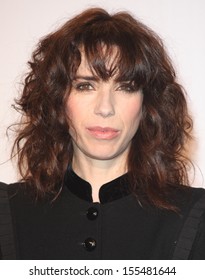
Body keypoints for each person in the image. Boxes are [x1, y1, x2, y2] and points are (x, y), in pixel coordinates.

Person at [0, 7, 205, 260]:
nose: (105, 108)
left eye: (126, 87)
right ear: (57, 99)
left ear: (147, 104)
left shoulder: (196, 217)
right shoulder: (8, 211)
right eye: (85, 85)